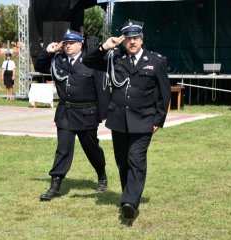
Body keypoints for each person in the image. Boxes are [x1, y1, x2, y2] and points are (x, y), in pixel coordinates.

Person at [83, 19, 171, 219]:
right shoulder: (115, 59)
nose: (132, 42)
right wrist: (105, 46)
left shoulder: (156, 61)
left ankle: (130, 202)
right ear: (123, 41)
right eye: (128, 39)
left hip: (143, 119)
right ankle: (128, 195)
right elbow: (88, 61)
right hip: (119, 120)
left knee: (136, 159)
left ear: (142, 39)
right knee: (122, 162)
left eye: (136, 38)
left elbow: (165, 93)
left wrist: (159, 119)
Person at [35, 29, 109, 201]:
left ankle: (102, 175)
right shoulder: (58, 60)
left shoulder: (91, 60)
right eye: (66, 43)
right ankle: (55, 185)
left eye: (72, 43)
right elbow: (39, 67)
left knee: (92, 149)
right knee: (63, 149)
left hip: (87, 113)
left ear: (80, 44)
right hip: (66, 112)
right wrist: (48, 52)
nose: (68, 46)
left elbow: (101, 88)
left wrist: (103, 113)